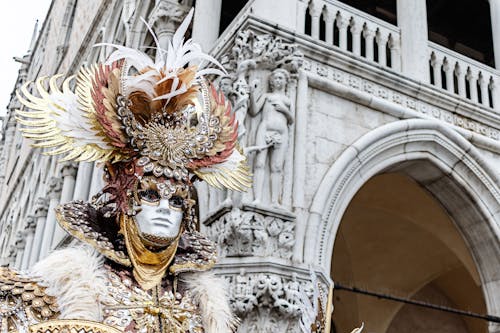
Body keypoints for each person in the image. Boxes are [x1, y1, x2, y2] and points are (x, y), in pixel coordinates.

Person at [5, 9, 251, 333]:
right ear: (124, 202)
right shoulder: (67, 291)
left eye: (177, 201)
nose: (165, 208)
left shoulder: (204, 308)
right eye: (150, 195)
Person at [249, 68, 293, 207]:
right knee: (260, 163)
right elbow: (254, 110)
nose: (278, 80)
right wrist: (251, 92)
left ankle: (274, 201)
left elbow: (291, 120)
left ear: (286, 81)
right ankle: (257, 198)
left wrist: (284, 110)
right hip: (264, 129)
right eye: (276, 78)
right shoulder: (267, 96)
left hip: (282, 133)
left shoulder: (287, 101)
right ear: (271, 81)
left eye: (281, 78)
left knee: (277, 167)